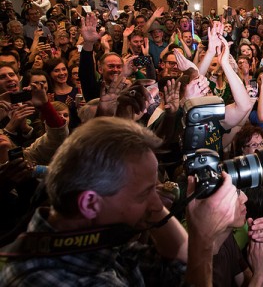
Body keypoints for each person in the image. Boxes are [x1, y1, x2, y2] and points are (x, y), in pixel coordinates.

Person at [0, 117, 243, 287]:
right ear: (90, 204)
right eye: (144, 193)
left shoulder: (91, 241)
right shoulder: (46, 279)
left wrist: (155, 208)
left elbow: (178, 271)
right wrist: (202, 237)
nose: (157, 203)